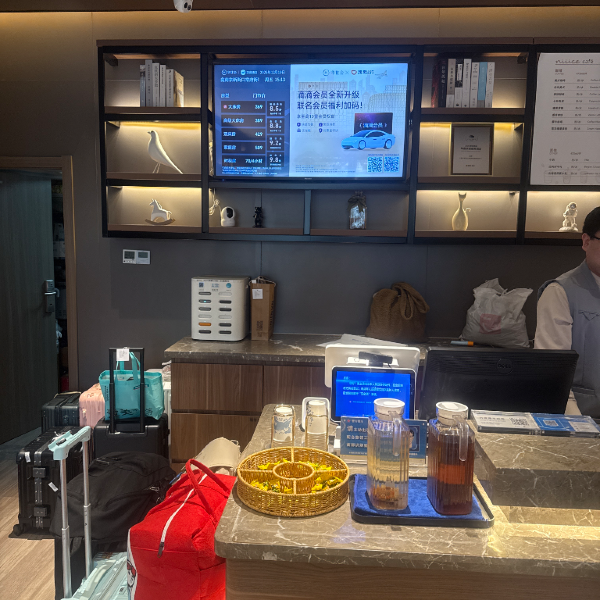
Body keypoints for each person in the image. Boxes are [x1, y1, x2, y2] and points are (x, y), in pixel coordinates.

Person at [535, 206, 600, 417]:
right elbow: (552, 374)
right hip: (584, 421)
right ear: (586, 241)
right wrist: (579, 428)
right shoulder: (560, 292)